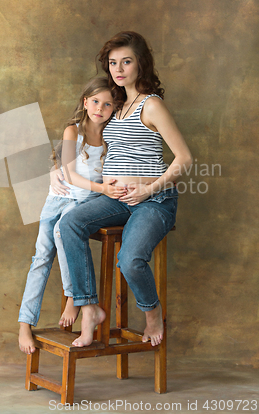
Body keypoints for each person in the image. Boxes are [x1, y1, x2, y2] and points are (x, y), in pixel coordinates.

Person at [58, 31, 193, 348]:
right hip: (116, 198)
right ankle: (89, 306)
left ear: (140, 64)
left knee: (130, 259)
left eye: (127, 62)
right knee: (69, 223)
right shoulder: (114, 104)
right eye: (113, 63)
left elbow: (185, 159)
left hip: (153, 201)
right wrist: (61, 168)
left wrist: (147, 191)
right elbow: (82, 132)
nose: (118, 69)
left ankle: (152, 312)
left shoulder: (151, 105)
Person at [18, 76, 122, 355]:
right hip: (59, 199)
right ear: (86, 102)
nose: (100, 108)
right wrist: (100, 187)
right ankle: (25, 323)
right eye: (96, 101)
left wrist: (105, 190)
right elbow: (71, 174)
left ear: (114, 108)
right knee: (41, 256)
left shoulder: (112, 136)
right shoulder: (72, 130)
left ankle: (75, 299)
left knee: (64, 233)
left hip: (83, 203)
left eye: (108, 104)